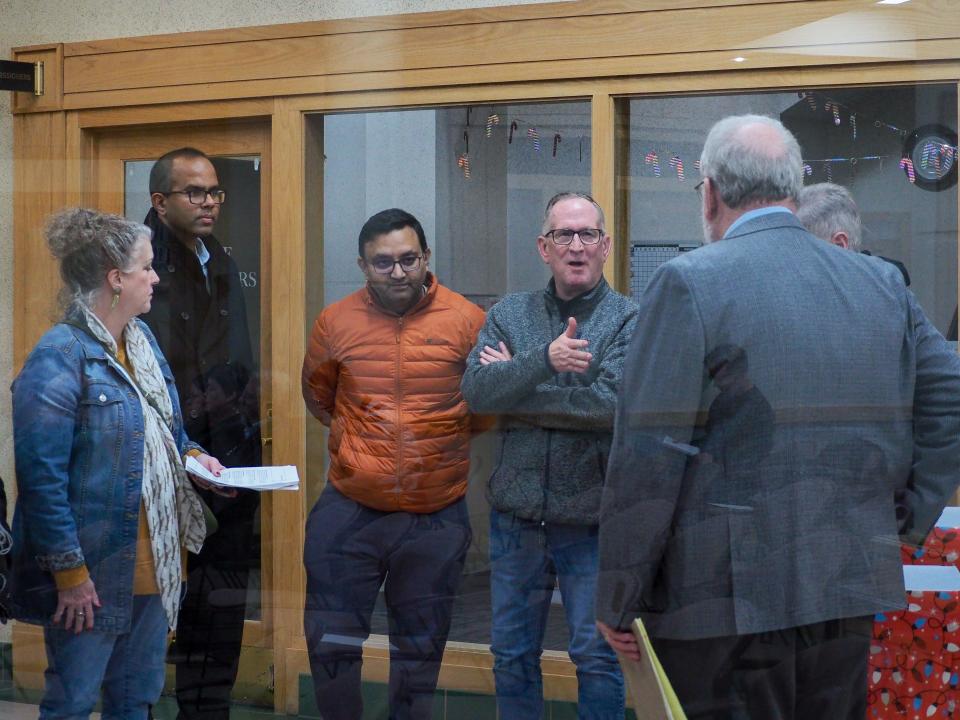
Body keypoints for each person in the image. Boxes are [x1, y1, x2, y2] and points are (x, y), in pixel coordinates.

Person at [596, 115, 960, 719]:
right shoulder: (880, 282)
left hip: (715, 599)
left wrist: (617, 596)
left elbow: (648, 454)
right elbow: (950, 391)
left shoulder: (688, 282)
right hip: (843, 573)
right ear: (793, 189)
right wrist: (904, 517)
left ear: (709, 192)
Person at [10, 208, 227, 719]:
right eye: (146, 268)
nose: (155, 277)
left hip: (156, 567)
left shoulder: (141, 341)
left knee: (136, 699)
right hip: (92, 573)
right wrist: (70, 574)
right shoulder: (59, 355)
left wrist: (196, 460)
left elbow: (168, 430)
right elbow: (41, 481)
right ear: (115, 279)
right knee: (73, 701)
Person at [301, 208, 486, 719]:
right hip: (352, 507)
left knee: (421, 649)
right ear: (362, 265)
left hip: (437, 511)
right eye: (384, 263)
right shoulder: (334, 321)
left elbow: (486, 409)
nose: (399, 272)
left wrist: (430, 443)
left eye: (409, 260)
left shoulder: (468, 320)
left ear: (426, 257)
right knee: (330, 640)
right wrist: (368, 452)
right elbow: (319, 398)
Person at [461, 192, 635, 719]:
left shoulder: (629, 318)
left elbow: (609, 405)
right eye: (564, 235)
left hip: (591, 520)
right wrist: (545, 360)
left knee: (595, 656)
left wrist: (519, 390)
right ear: (544, 246)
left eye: (588, 235)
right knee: (512, 655)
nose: (576, 246)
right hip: (516, 519)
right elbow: (477, 393)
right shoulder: (511, 314)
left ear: (605, 245)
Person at [142, 147, 261, 719]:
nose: (210, 202)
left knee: (222, 600)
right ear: (160, 201)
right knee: (154, 600)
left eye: (215, 191)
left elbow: (234, 355)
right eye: (195, 193)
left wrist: (243, 428)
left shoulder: (220, 259)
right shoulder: (136, 263)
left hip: (226, 455)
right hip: (165, 456)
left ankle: (207, 712)